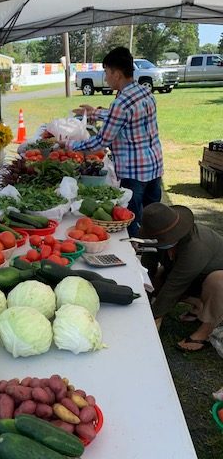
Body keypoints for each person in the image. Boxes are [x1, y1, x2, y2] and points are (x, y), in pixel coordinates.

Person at [65, 47, 163, 237]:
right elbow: (125, 117)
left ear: (117, 74)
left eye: (107, 72)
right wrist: (94, 112)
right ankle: (156, 256)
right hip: (155, 166)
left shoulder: (121, 102)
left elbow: (101, 142)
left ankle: (136, 255)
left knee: (131, 221)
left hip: (134, 172)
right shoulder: (145, 92)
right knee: (155, 220)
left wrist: (70, 145)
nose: (106, 77)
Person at [139, 202, 223, 352]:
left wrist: (154, 315)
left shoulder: (195, 246)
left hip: (214, 279)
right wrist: (141, 299)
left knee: (218, 282)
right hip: (196, 276)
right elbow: (147, 270)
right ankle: (199, 306)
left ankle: (206, 330)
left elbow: (174, 286)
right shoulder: (157, 238)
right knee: (159, 276)